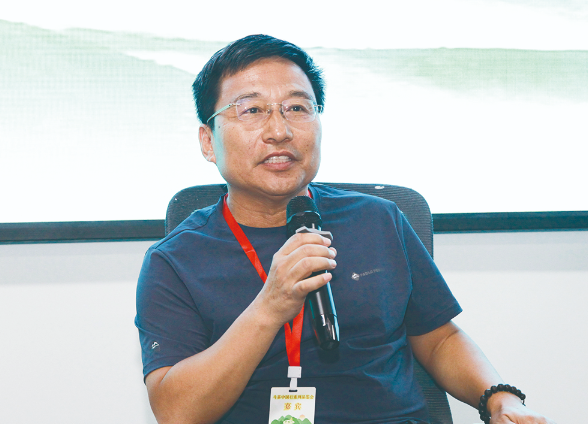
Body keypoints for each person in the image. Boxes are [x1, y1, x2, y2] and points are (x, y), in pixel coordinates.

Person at [135, 35, 555, 424]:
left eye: (297, 108)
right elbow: (176, 411)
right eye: (252, 110)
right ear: (208, 142)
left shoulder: (379, 220)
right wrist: (270, 306)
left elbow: (439, 339)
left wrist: (499, 398)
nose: (279, 131)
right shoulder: (175, 260)